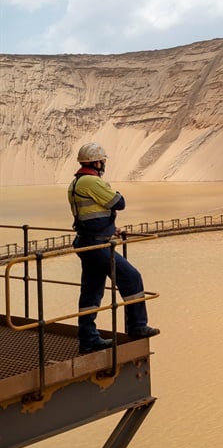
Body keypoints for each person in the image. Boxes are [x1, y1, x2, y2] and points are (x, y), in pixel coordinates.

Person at [68, 142, 159, 353]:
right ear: (96, 162)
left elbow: (91, 215)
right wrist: (113, 193)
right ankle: (137, 326)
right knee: (131, 277)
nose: (104, 165)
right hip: (96, 245)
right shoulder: (91, 181)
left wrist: (112, 229)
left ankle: (88, 339)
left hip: (88, 242)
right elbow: (119, 202)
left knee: (91, 291)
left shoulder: (75, 183)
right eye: (103, 161)